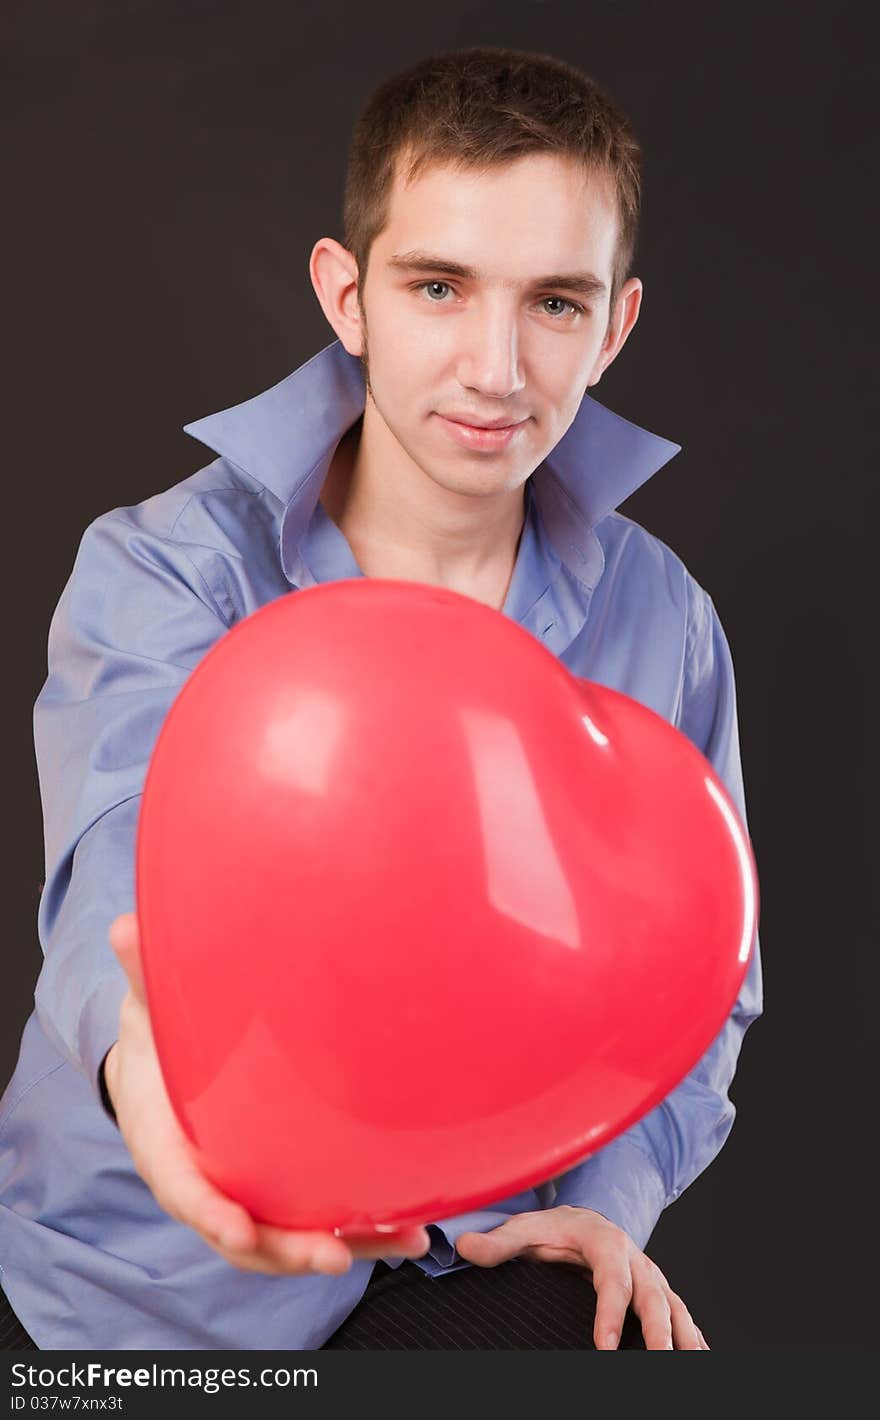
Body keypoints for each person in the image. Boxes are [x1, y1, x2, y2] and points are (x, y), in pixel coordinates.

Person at [0, 45, 762, 1352]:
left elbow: (700, 978)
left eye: (556, 306)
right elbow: (114, 867)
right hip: (151, 1291)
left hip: (456, 1251)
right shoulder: (164, 568)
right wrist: (165, 1093)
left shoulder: (666, 621)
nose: (497, 369)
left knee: (629, 1348)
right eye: (439, 287)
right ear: (347, 296)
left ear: (617, 324)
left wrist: (611, 1202)